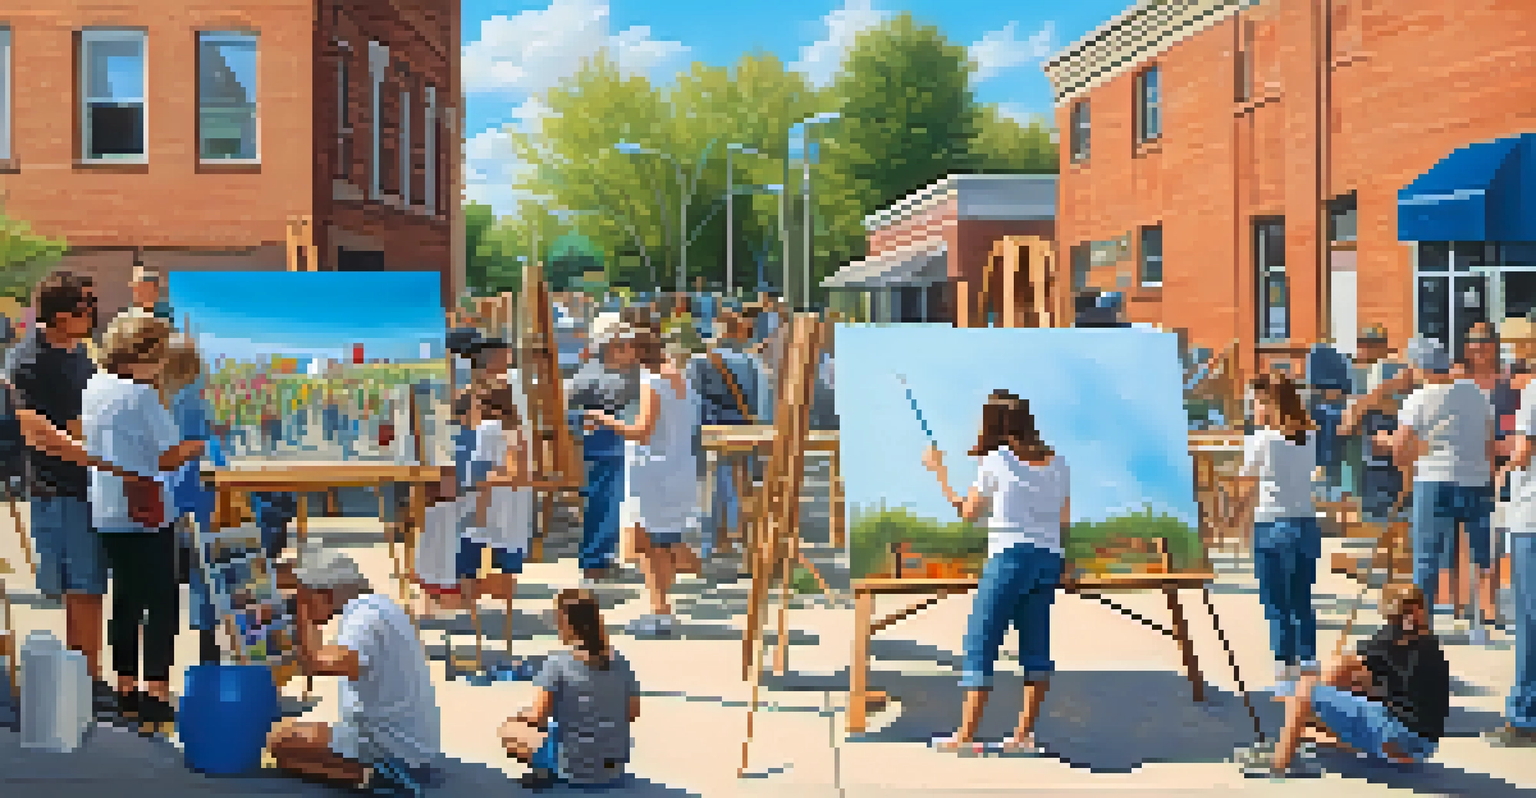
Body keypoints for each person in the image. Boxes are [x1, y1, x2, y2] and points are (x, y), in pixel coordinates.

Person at [921, 391, 1069, 756]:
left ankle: (965, 737)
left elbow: (968, 513)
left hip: (1010, 559)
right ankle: (1022, 737)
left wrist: (939, 473)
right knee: (1036, 648)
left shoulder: (996, 460)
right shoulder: (1058, 462)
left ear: (993, 424)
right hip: (1049, 559)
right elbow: (1064, 521)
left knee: (980, 643)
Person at [82, 314, 207, 725]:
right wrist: (196, 447)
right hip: (148, 511)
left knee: (126, 600)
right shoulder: (140, 396)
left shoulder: (96, 386)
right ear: (146, 355)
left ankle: (125, 689)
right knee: (162, 601)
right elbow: (166, 454)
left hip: (106, 508)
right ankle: (155, 690)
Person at [4, 270, 117, 713]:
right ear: (56, 313)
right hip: (60, 488)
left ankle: (88, 679)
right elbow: (34, 430)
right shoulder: (28, 359)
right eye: (81, 305)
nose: (90, 312)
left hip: (89, 487)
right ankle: (87, 681)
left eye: (92, 303)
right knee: (81, 588)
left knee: (89, 588)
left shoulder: (80, 356)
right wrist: (99, 459)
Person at [267, 549, 441, 794]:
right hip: (410, 743)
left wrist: (303, 614)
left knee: (280, 742)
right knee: (289, 740)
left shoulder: (363, 619)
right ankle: (370, 775)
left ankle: (379, 778)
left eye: (302, 597)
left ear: (324, 593)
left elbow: (316, 664)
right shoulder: (378, 607)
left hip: (394, 749)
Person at [1242, 582, 1449, 777]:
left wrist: (1306, 697)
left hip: (1400, 736)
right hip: (1423, 746)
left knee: (1305, 688)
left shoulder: (1393, 638)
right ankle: (1299, 736)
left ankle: (1279, 763)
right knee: (1315, 713)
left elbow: (1336, 668)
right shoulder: (1429, 643)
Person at [586, 322, 702, 637]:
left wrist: (604, 419)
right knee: (655, 543)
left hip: (653, 470)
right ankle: (661, 607)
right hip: (676, 466)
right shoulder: (681, 377)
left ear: (635, 351)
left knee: (652, 548)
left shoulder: (652, 380)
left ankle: (661, 611)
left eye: (621, 349)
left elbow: (643, 431)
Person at [1395, 337, 1496, 637]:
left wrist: (1410, 461)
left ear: (1418, 366)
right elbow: (1489, 441)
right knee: (1481, 556)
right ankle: (1481, 623)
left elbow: (1401, 449)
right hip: (1476, 481)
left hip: (1434, 481)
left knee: (1425, 559)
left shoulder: (1418, 398)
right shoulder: (1477, 393)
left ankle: (1421, 630)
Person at [498, 588, 641, 790]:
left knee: (510, 731)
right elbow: (633, 713)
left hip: (574, 765)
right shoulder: (620, 661)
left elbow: (539, 716)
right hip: (614, 767)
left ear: (567, 624)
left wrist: (522, 717)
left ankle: (548, 769)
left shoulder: (557, 663)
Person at [1237, 372, 1322, 693]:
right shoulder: (1310, 436)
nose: (1254, 408)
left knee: (1276, 605)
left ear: (1270, 403)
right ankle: (1309, 666)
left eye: (1257, 401)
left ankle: (1285, 678)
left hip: (1272, 525)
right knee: (1302, 601)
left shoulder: (1262, 439)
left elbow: (1245, 482)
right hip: (1305, 524)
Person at [159, 335, 228, 664]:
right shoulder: (194, 399)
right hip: (199, 494)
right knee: (206, 580)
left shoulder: (156, 397)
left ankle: (161, 668)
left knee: (165, 584)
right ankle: (207, 662)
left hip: (164, 497)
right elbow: (208, 446)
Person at [567, 313, 641, 580]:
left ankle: (600, 556)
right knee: (604, 503)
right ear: (611, 347)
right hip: (605, 445)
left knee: (610, 504)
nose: (632, 351)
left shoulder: (617, 374)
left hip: (613, 444)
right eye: (625, 345)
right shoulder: (594, 377)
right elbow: (572, 413)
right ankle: (595, 559)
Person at [687, 310, 763, 560]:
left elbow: (694, 401)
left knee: (712, 487)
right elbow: (761, 401)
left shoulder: (700, 361)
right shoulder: (751, 361)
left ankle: (711, 543)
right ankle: (739, 538)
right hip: (744, 429)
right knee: (741, 485)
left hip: (712, 432)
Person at [1488, 368, 1536, 747]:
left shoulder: (1533, 393)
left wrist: (1503, 463)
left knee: (1529, 619)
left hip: (1532, 521)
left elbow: (1523, 452)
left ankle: (1524, 715)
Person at [1457, 321, 1513, 642]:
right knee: (1463, 542)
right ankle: (1462, 603)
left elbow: (1514, 431)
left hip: (1498, 471)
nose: (1478, 346)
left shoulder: (1508, 383)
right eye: (1473, 340)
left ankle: (1489, 605)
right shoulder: (1457, 380)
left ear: (1494, 344)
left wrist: (1499, 452)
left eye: (1484, 340)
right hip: (1462, 469)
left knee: (1491, 544)